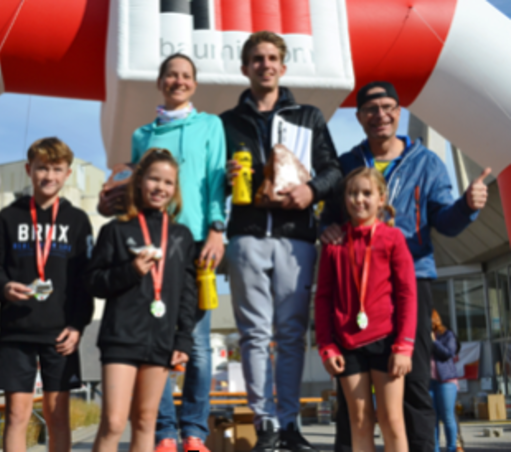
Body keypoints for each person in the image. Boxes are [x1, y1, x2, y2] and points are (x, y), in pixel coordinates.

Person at [320, 81, 490, 452]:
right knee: (354, 405)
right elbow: (330, 216)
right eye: (370, 109)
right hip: (359, 292)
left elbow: (444, 222)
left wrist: (468, 206)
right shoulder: (347, 162)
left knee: (412, 391)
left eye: (388, 107)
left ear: (400, 112)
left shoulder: (427, 162)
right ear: (359, 116)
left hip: (413, 280)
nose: (380, 115)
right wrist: (325, 228)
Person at [221, 31, 342, 452]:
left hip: (296, 239)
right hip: (247, 237)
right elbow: (212, 181)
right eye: (257, 59)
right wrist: (225, 178)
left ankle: (289, 423)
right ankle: (266, 423)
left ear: (283, 67)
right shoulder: (226, 122)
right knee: (253, 334)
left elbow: (333, 170)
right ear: (245, 68)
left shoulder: (309, 116)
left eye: (272, 58)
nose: (265, 64)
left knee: (291, 333)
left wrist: (312, 192)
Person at [127, 53, 226, 452]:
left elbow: (217, 181)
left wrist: (218, 230)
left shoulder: (210, 125)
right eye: (171, 75)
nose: (178, 81)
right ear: (160, 82)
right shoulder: (142, 136)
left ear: (194, 83)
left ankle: (194, 433)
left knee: (197, 345)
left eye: (186, 75)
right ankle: (165, 431)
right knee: (157, 339)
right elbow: (136, 193)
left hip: (198, 246)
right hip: (155, 246)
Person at [85, 148, 197, 452]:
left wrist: (183, 340)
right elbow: (94, 282)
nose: (160, 188)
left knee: (147, 421)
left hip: (160, 340)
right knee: (113, 422)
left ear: (175, 189)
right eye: (153, 179)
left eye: (168, 182)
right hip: (121, 337)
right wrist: (131, 271)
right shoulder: (116, 230)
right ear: (139, 182)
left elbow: (189, 293)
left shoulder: (181, 236)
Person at [0, 138, 94, 452]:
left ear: (68, 173)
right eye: (42, 168)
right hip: (16, 330)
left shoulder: (78, 221)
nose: (49, 176)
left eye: (57, 169)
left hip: (60, 332)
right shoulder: (9, 217)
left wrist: (77, 326)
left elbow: (84, 281)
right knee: (17, 414)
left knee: (57, 415)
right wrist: (5, 287)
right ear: (28, 170)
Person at [315, 167, 417, 452]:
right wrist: (326, 346)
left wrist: (404, 345)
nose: (359, 199)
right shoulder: (333, 244)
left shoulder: (393, 239)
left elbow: (408, 294)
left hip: (386, 342)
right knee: (360, 420)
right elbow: (322, 298)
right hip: (347, 346)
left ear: (381, 198)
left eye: (367, 193)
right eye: (352, 193)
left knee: (391, 419)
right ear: (344, 199)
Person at [430, 309, 459, 452]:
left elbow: (448, 353)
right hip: (428, 383)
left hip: (446, 381)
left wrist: (433, 342)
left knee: (447, 417)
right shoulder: (421, 335)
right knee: (432, 420)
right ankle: (434, 449)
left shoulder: (447, 334)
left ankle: (451, 448)